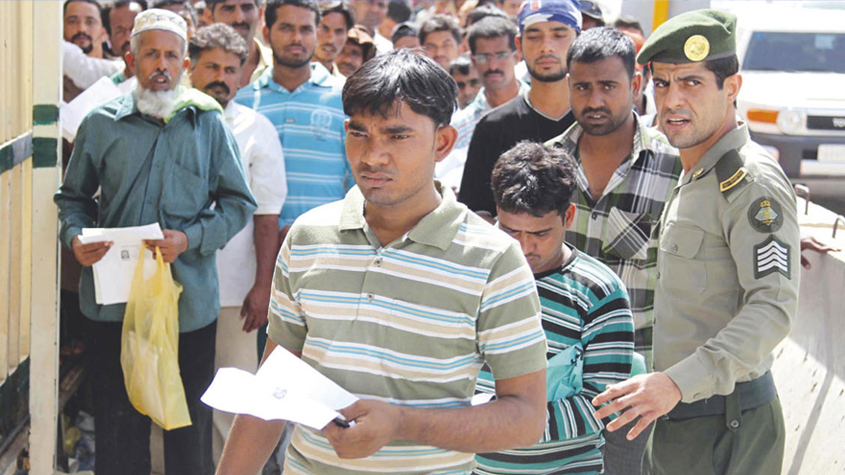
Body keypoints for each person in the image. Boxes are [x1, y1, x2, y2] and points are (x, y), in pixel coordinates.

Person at [217, 48, 549, 475]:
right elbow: (274, 387)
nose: (373, 156)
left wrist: (402, 424)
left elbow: (525, 418)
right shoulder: (307, 237)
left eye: (396, 136)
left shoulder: (494, 259)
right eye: (360, 133)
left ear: (443, 143)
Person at [592, 10, 800, 475]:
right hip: (678, 417)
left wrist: (677, 383)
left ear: (731, 88)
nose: (673, 100)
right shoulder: (696, 173)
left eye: (692, 83)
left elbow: (773, 306)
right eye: (662, 84)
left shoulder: (749, 182)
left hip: (727, 424)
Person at [54, 9, 257, 475]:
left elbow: (238, 202)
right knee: (118, 432)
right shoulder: (100, 123)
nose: (161, 65)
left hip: (188, 306)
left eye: (171, 56)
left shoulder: (208, 125)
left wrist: (190, 238)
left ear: (185, 64)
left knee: (188, 435)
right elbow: (72, 198)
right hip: (113, 305)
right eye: (151, 54)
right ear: (131, 60)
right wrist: (75, 237)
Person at [545, 26, 683, 475]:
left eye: (608, 86)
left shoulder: (676, 167)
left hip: (633, 389)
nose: (595, 100)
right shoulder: (546, 165)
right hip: (554, 389)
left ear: (636, 84)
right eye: (583, 87)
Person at [473, 141, 634, 475]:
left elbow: (604, 404)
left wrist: (501, 422)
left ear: (568, 216)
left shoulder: (600, 293)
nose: (523, 247)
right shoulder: (470, 274)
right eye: (510, 230)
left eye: (540, 233)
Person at [187, 22, 288, 462]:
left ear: (244, 74)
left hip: (234, 290)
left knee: (235, 399)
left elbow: (266, 215)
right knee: (171, 394)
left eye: (230, 69)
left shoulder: (255, 128)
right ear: (190, 67)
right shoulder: (167, 121)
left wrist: (263, 285)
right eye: (211, 67)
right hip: (171, 286)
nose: (221, 77)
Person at [458, 0, 578, 217]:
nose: (546, 47)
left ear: (578, 41)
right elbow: (474, 213)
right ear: (519, 45)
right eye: (534, 36)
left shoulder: (596, 122)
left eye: (559, 35)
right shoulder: (493, 127)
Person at [436, 16, 525, 190]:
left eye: (501, 55)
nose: (493, 65)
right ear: (473, 60)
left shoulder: (541, 108)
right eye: (484, 57)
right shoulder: (459, 126)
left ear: (517, 56)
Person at [203, 0, 275, 86]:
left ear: (260, 14)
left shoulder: (281, 67)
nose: (239, 19)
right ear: (209, 16)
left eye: (247, 8)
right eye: (228, 9)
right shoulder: (193, 74)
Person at [64, 0, 114, 100]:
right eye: (72, 21)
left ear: (103, 33)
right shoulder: (54, 78)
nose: (81, 29)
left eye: (90, 22)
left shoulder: (121, 70)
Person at [104, 0, 147, 92]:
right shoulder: (108, 92)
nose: (128, 37)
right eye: (120, 31)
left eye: (134, 28)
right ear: (111, 40)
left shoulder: (169, 80)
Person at [312, 1, 355, 77]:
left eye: (339, 31)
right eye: (324, 29)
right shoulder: (289, 79)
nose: (331, 40)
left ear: (346, 35)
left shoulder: (343, 84)